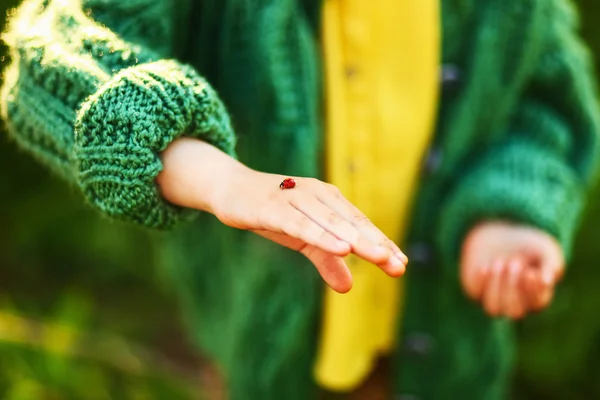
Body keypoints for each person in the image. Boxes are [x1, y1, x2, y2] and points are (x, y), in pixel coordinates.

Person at [1, 0, 598, 399]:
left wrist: (508, 212)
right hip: (261, 353)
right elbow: (54, 61)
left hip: (448, 347)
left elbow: (545, 104)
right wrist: (220, 179)